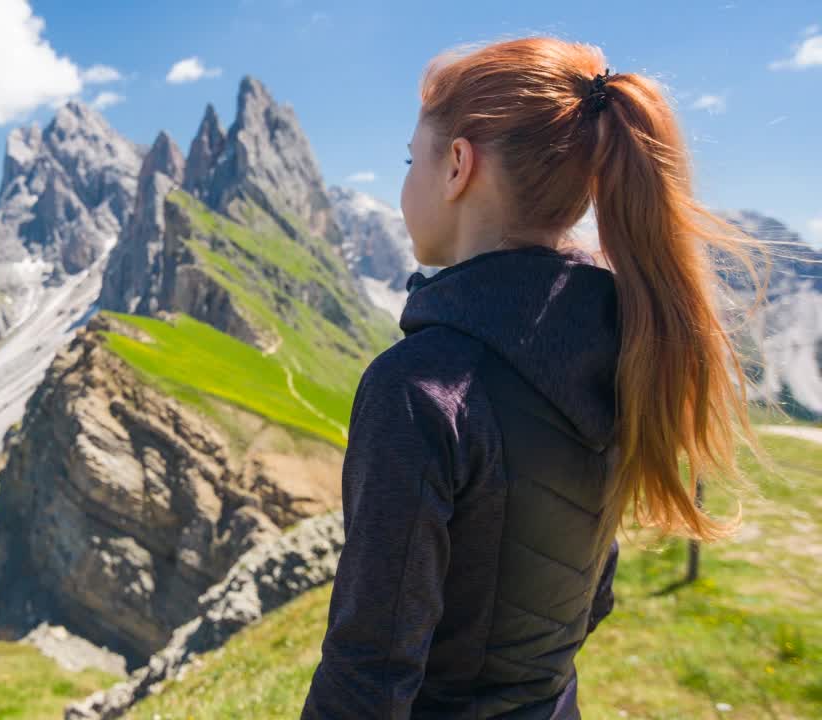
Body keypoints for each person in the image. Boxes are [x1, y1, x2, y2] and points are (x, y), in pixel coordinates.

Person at [299, 37, 772, 718]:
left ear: (458, 165)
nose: (404, 182)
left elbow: (368, 672)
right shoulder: (621, 348)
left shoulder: (419, 388)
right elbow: (591, 597)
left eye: (412, 159)